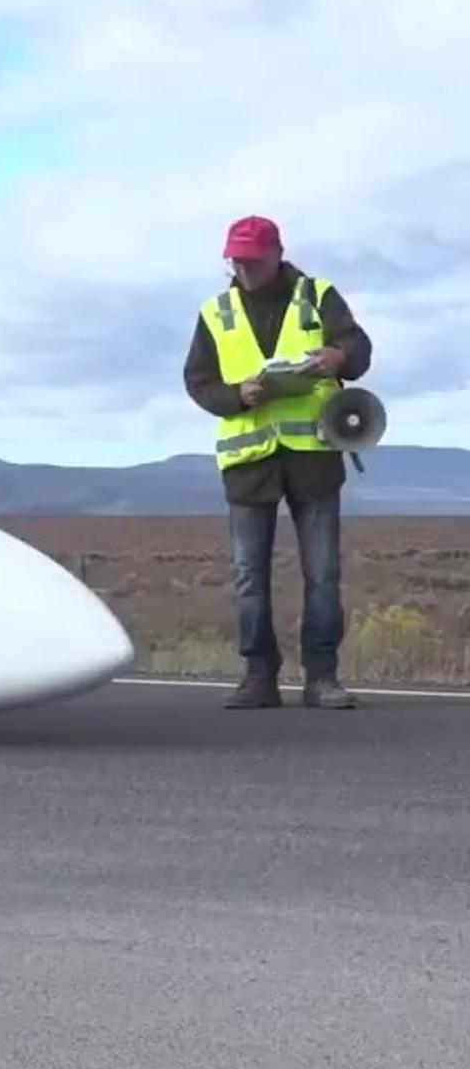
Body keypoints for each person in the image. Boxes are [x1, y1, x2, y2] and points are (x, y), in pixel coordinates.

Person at [183, 217, 373, 710]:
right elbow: (199, 381)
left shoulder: (317, 295)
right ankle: (258, 678)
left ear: (277, 254)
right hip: (249, 464)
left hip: (313, 457)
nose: (243, 270)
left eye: (253, 260)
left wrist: (336, 357)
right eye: (236, 261)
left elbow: (357, 348)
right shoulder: (215, 312)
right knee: (249, 575)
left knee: (323, 573)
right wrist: (237, 395)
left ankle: (322, 678)